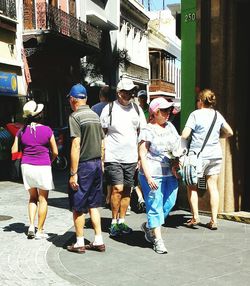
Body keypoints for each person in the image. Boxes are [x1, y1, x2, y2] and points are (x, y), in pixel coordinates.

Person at [100, 78, 147, 237]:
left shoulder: (137, 109)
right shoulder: (109, 108)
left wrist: (141, 157)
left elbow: (143, 133)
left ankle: (121, 221)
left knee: (127, 189)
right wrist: (102, 156)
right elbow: (103, 133)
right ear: (119, 92)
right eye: (126, 92)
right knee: (117, 188)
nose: (129, 94)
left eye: (131, 92)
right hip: (113, 156)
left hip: (131, 157)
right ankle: (113, 222)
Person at [181, 89, 233, 230]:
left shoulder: (195, 115)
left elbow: (185, 135)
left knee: (192, 186)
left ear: (200, 101)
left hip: (198, 155)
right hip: (215, 154)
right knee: (213, 186)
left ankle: (195, 217)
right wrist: (217, 137)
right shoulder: (217, 115)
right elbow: (230, 132)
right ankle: (213, 220)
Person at [138, 97, 184, 254]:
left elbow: (178, 146)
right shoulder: (147, 130)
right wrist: (148, 177)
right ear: (155, 112)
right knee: (155, 205)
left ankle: (150, 226)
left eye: (169, 110)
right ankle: (158, 240)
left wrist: (177, 162)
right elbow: (142, 154)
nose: (168, 113)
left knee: (169, 203)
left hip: (170, 173)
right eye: (164, 110)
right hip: (153, 173)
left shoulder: (170, 126)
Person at [67, 83, 105, 254]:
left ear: (73, 99)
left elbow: (76, 144)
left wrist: (73, 173)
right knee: (94, 205)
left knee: (78, 205)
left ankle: (80, 242)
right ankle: (98, 240)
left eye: (69, 98)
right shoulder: (95, 116)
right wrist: (102, 163)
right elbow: (103, 143)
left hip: (83, 166)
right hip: (97, 164)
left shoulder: (75, 117)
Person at [11, 100, 58, 239]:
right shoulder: (47, 130)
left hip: (27, 166)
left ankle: (31, 226)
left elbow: (14, 151)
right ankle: (40, 230)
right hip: (43, 165)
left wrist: (17, 135)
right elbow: (55, 151)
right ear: (39, 115)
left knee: (32, 197)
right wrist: (51, 160)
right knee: (43, 198)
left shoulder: (21, 131)